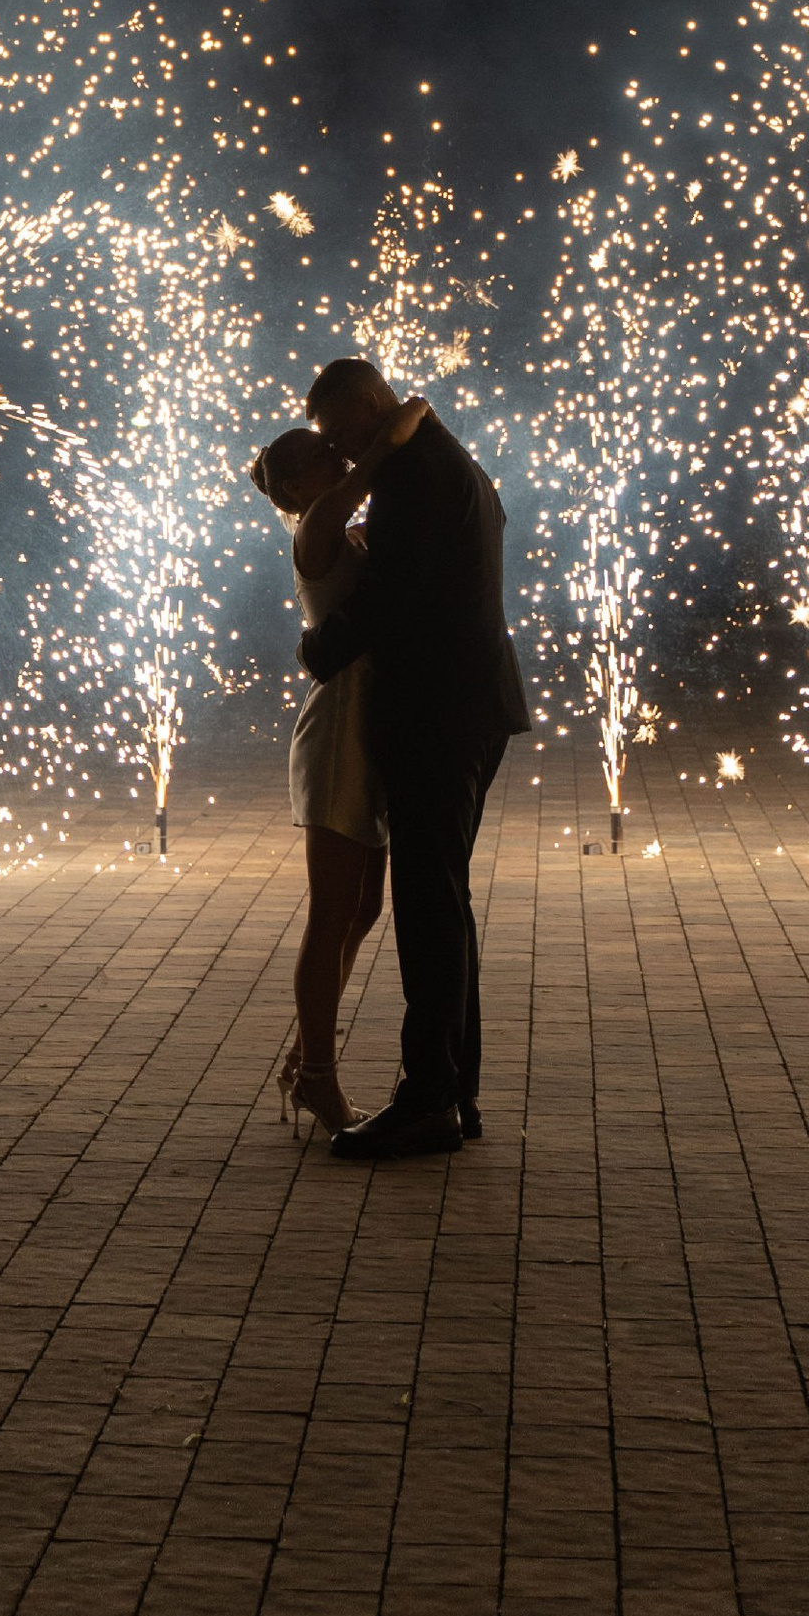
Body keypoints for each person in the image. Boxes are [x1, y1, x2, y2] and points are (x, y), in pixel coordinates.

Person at [296, 355, 527, 1161]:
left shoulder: (412, 474)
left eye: (337, 429)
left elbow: (388, 600)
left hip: (439, 715)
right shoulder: (436, 455)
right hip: (468, 708)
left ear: (365, 405)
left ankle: (429, 1097)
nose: (339, 446)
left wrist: (316, 650)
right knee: (443, 903)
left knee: (430, 910)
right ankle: (452, 1090)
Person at [248, 395, 421, 1133]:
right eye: (319, 456)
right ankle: (317, 1074)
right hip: (340, 733)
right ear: (295, 488)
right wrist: (400, 425)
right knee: (331, 913)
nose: (335, 457)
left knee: (365, 907)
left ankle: (305, 1053)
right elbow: (370, 474)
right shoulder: (318, 524)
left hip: (365, 726)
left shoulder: (335, 525)